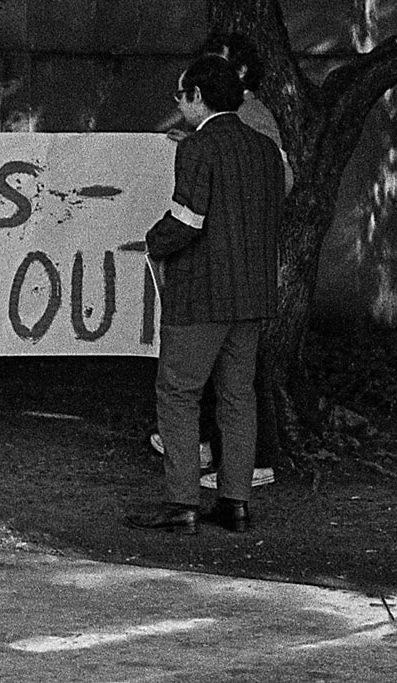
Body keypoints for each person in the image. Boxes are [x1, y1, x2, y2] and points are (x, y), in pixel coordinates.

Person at [126, 56, 285, 535]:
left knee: (178, 394)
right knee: (238, 396)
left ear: (197, 96)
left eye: (180, 95)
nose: (179, 104)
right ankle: (234, 502)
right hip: (253, 294)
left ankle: (182, 504)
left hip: (201, 295)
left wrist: (152, 242)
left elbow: (188, 220)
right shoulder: (264, 149)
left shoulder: (197, 148)